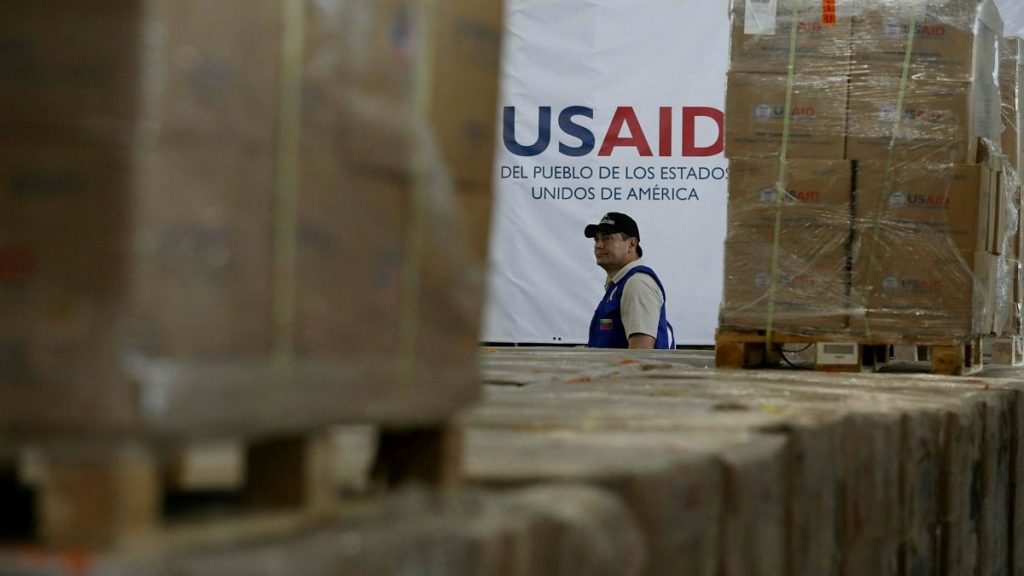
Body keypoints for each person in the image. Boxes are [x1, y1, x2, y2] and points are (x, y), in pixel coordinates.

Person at [584, 212, 674, 349]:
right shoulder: (621, 284)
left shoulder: (637, 284)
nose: (598, 245)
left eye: (607, 238)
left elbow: (641, 354)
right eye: (596, 240)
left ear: (631, 244)